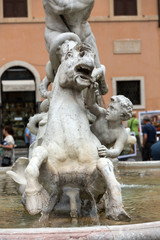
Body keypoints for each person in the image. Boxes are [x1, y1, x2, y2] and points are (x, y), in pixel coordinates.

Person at [85, 85, 133, 159]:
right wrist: (91, 91)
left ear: (122, 115)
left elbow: (117, 150)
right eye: (109, 107)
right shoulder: (102, 114)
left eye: (112, 109)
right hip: (83, 142)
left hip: (95, 154)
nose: (108, 110)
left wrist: (108, 152)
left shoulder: (121, 133)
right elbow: (91, 105)